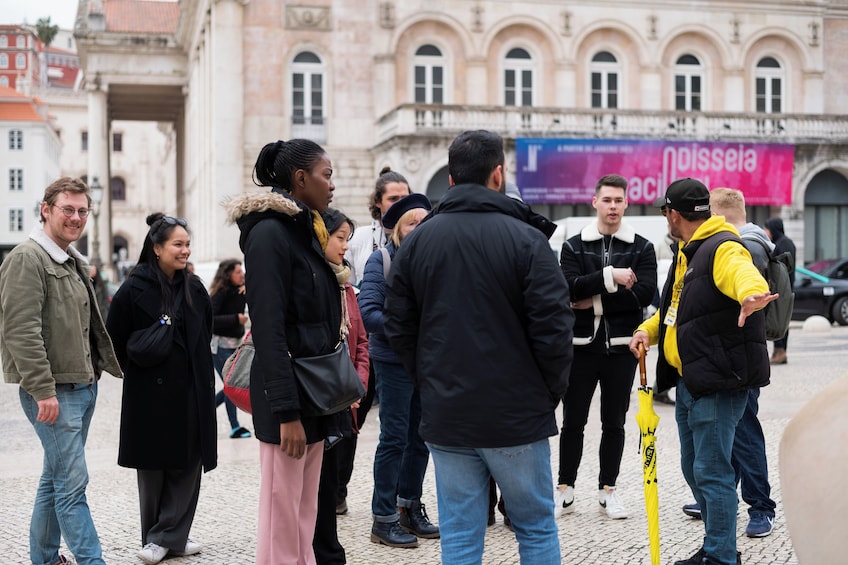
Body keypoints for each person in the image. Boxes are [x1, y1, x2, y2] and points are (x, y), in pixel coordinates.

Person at [384, 130, 574, 564]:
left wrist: (428, 381)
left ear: (450, 180)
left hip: (450, 412)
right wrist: (545, 394)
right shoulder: (527, 240)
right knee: (536, 528)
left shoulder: (417, 242)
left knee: (461, 536)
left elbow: (399, 327)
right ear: (498, 175)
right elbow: (555, 328)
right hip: (516, 413)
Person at [629, 178, 777, 565]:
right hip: (692, 380)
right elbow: (675, 312)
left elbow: (741, 273)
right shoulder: (688, 253)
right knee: (697, 470)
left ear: (673, 214)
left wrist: (749, 295)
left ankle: (721, 557)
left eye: (665, 213)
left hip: (718, 382)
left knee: (712, 473)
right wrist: (647, 331)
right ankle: (716, 546)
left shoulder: (722, 247)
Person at [225, 138, 342, 565]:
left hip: (313, 392)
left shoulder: (305, 230)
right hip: (288, 399)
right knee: (281, 514)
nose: (332, 185)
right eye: (326, 175)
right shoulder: (272, 234)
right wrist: (287, 412)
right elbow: (269, 330)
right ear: (300, 178)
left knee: (304, 511)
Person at [0, 177, 122, 565]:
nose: (76, 217)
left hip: (81, 386)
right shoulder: (26, 258)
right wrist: (42, 390)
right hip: (55, 393)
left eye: (82, 211)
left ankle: (46, 559)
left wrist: (95, 368)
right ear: (46, 209)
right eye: (67, 209)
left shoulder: (70, 260)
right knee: (72, 487)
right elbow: (21, 331)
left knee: (55, 481)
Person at [106, 213, 217, 565]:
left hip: (191, 390)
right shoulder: (133, 288)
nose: (185, 251)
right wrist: (138, 371)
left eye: (187, 244)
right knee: (153, 469)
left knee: (188, 465)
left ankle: (170, 535)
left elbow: (205, 333)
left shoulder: (195, 287)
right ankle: (158, 536)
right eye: (177, 244)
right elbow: (115, 338)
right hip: (150, 392)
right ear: (156, 248)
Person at [675, 188, 777, 537]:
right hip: (720, 365)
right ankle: (726, 502)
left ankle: (760, 506)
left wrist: (751, 293)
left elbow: (741, 275)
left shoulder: (736, 246)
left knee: (744, 437)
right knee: (724, 448)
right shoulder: (702, 248)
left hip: (732, 370)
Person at [556, 174, 657, 520]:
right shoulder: (573, 245)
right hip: (580, 347)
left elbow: (644, 296)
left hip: (621, 347)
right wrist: (611, 276)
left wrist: (595, 301)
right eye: (607, 200)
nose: (613, 206)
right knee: (573, 421)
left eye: (618, 200)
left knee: (614, 422)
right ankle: (564, 488)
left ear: (626, 203)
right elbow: (568, 289)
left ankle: (607, 490)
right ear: (594, 202)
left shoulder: (642, 246)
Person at [359, 192, 439, 548]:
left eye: (425, 222)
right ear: (398, 229)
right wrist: (409, 328)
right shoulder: (382, 260)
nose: (419, 228)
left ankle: (410, 507)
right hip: (393, 362)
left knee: (420, 437)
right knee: (393, 438)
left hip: (427, 363)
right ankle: (383, 517)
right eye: (412, 222)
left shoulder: (438, 261)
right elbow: (369, 313)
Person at [313, 209, 370, 564]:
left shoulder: (348, 287)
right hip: (320, 399)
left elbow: (361, 343)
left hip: (345, 399)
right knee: (316, 484)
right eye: (340, 238)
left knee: (334, 478)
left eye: (348, 238)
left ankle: (327, 546)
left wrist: (357, 385)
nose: (346, 246)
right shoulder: (315, 284)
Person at [346, 167, 411, 285]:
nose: (400, 204)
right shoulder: (357, 238)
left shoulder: (420, 235)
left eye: (405, 198)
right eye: (393, 199)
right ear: (377, 201)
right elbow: (348, 287)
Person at [209, 259, 251, 439]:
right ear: (228, 275)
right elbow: (210, 320)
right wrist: (236, 319)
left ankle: (200, 412)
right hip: (219, 347)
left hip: (235, 346)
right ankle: (235, 427)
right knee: (230, 385)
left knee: (229, 386)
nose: (242, 275)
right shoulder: (221, 293)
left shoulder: (240, 291)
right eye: (238, 272)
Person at [764, 217, 796, 364]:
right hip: (788, 287)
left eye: (768, 229)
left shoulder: (780, 244)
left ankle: (780, 351)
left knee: (777, 319)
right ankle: (780, 351)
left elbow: (777, 266)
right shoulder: (788, 242)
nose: (766, 232)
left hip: (781, 288)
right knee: (783, 320)